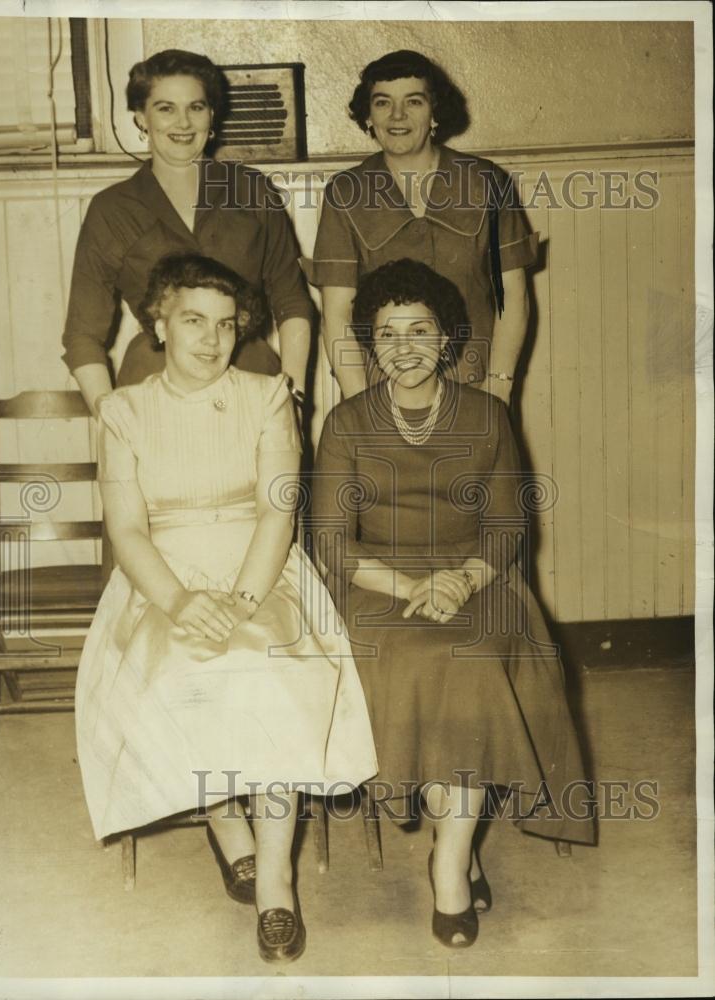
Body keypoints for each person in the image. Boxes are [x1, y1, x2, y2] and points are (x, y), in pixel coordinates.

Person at [75, 254, 376, 964]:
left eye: (226, 325)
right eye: (192, 322)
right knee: (182, 673)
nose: (211, 340)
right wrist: (179, 601)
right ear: (159, 323)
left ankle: (275, 881)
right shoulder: (122, 410)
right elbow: (126, 530)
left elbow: (280, 510)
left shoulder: (268, 395)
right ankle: (225, 823)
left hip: (260, 565)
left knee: (267, 673)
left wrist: (243, 598)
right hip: (162, 575)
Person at [311, 259, 594, 950]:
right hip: (379, 584)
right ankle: (457, 852)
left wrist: (464, 580)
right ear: (368, 345)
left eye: (419, 330)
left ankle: (449, 855)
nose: (403, 347)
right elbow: (327, 541)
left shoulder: (487, 415)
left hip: (478, 577)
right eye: (386, 333)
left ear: (448, 339)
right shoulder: (346, 422)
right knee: (415, 657)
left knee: (472, 657)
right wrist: (409, 586)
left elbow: (508, 527)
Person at [62, 49, 311, 415]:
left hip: (252, 384)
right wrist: (113, 419)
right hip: (152, 388)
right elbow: (83, 336)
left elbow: (293, 302)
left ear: (212, 116)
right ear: (140, 118)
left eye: (196, 107)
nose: (183, 123)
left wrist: (294, 398)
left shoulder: (252, 191)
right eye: (165, 108)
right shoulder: (111, 209)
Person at [304, 49, 537, 403]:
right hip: (382, 390)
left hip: (474, 385)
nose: (397, 115)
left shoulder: (485, 181)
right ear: (368, 116)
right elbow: (337, 313)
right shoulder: (345, 192)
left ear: (435, 112)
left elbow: (513, 296)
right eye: (382, 103)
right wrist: (359, 402)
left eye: (413, 101)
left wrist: (499, 387)